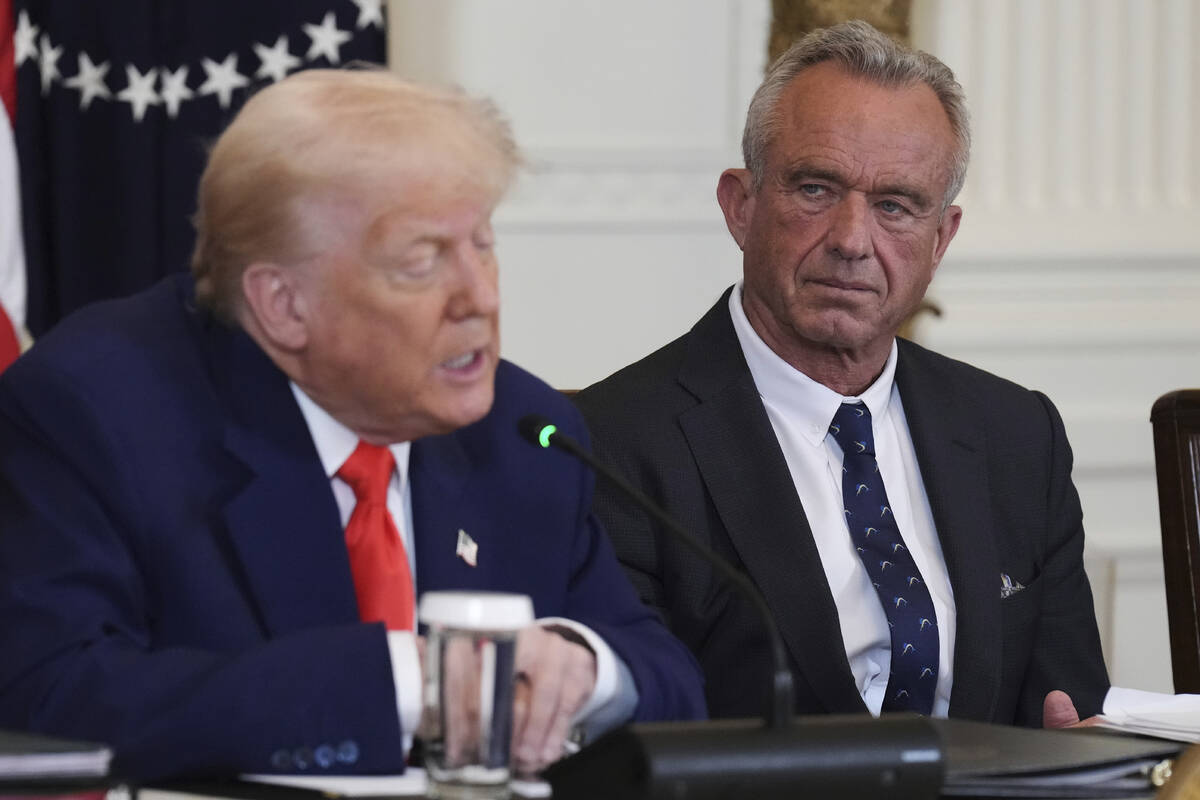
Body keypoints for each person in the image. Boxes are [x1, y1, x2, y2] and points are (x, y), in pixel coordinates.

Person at [0, 69, 705, 782]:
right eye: (422, 261)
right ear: (283, 304)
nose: (480, 296)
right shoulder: (94, 412)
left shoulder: (525, 432)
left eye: (483, 244)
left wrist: (584, 667)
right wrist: (410, 680)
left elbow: (673, 685)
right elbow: (50, 696)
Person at [574, 21, 1109, 727]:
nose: (853, 241)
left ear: (941, 238)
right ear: (741, 205)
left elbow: (1069, 710)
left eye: (895, 205)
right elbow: (633, 738)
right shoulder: (614, 446)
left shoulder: (1016, 434)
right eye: (817, 189)